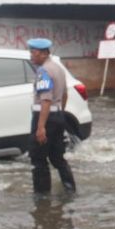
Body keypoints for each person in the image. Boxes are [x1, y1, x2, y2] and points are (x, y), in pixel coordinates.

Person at [27, 38, 77, 194]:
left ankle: (41, 196)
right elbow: (65, 94)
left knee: (38, 159)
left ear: (43, 54)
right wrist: (60, 113)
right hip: (57, 117)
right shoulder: (58, 68)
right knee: (57, 157)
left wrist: (41, 127)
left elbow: (46, 100)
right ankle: (70, 189)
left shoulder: (43, 71)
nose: (30, 56)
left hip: (45, 118)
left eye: (33, 52)